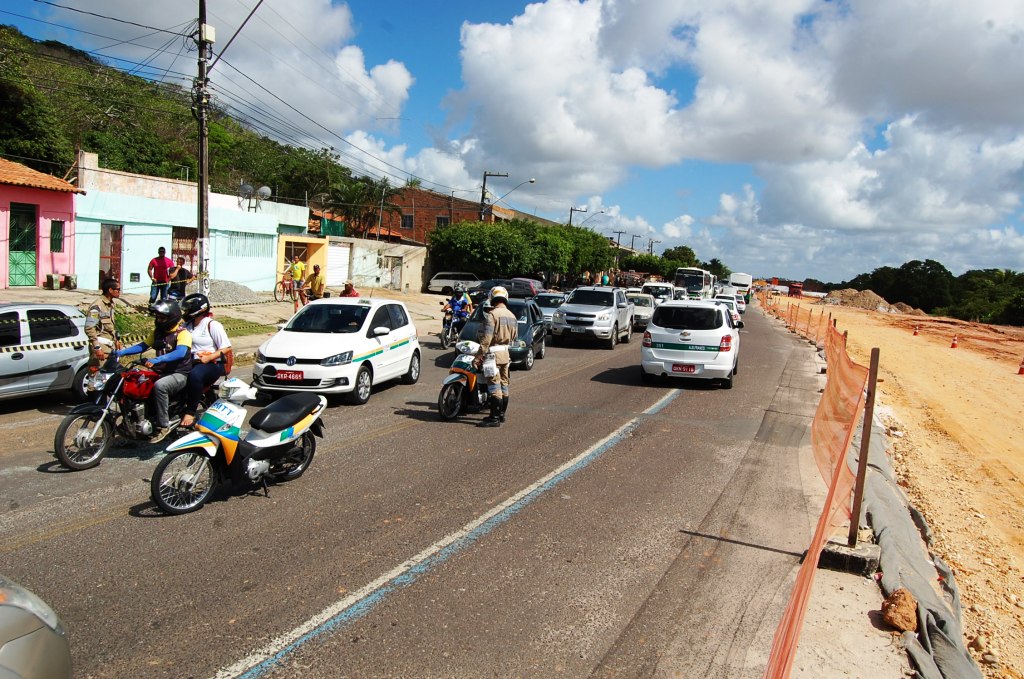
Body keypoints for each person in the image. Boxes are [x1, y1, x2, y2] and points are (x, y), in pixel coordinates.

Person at [114, 300, 192, 443]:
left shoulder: (183, 333)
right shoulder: (158, 332)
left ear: (172, 317)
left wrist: (157, 360)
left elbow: (180, 353)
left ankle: (163, 425)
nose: (159, 320)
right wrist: (121, 352)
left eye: (162, 317)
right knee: (134, 381)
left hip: (179, 373)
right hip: (159, 372)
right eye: (157, 317)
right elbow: (143, 346)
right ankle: (132, 421)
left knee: (160, 386)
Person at [179, 293, 232, 428]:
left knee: (195, 375)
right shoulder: (187, 325)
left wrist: (208, 357)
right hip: (191, 361)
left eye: (188, 309)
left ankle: (190, 411)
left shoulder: (212, 325)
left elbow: (226, 347)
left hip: (213, 363)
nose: (185, 312)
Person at [473, 285, 518, 428]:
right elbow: (514, 338)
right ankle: (501, 415)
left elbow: (486, 339)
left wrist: (478, 357)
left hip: (493, 355)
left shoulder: (492, 315)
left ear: (492, 298)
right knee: (504, 385)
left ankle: (494, 418)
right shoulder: (512, 316)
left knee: (494, 386)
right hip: (506, 354)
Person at [84, 278, 121, 370]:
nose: (120, 292)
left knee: (109, 378)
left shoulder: (110, 305)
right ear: (110, 290)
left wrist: (116, 340)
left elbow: (110, 326)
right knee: (97, 378)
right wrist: (97, 347)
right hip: (101, 348)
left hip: (110, 347)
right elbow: (89, 328)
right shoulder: (97, 306)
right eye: (118, 289)